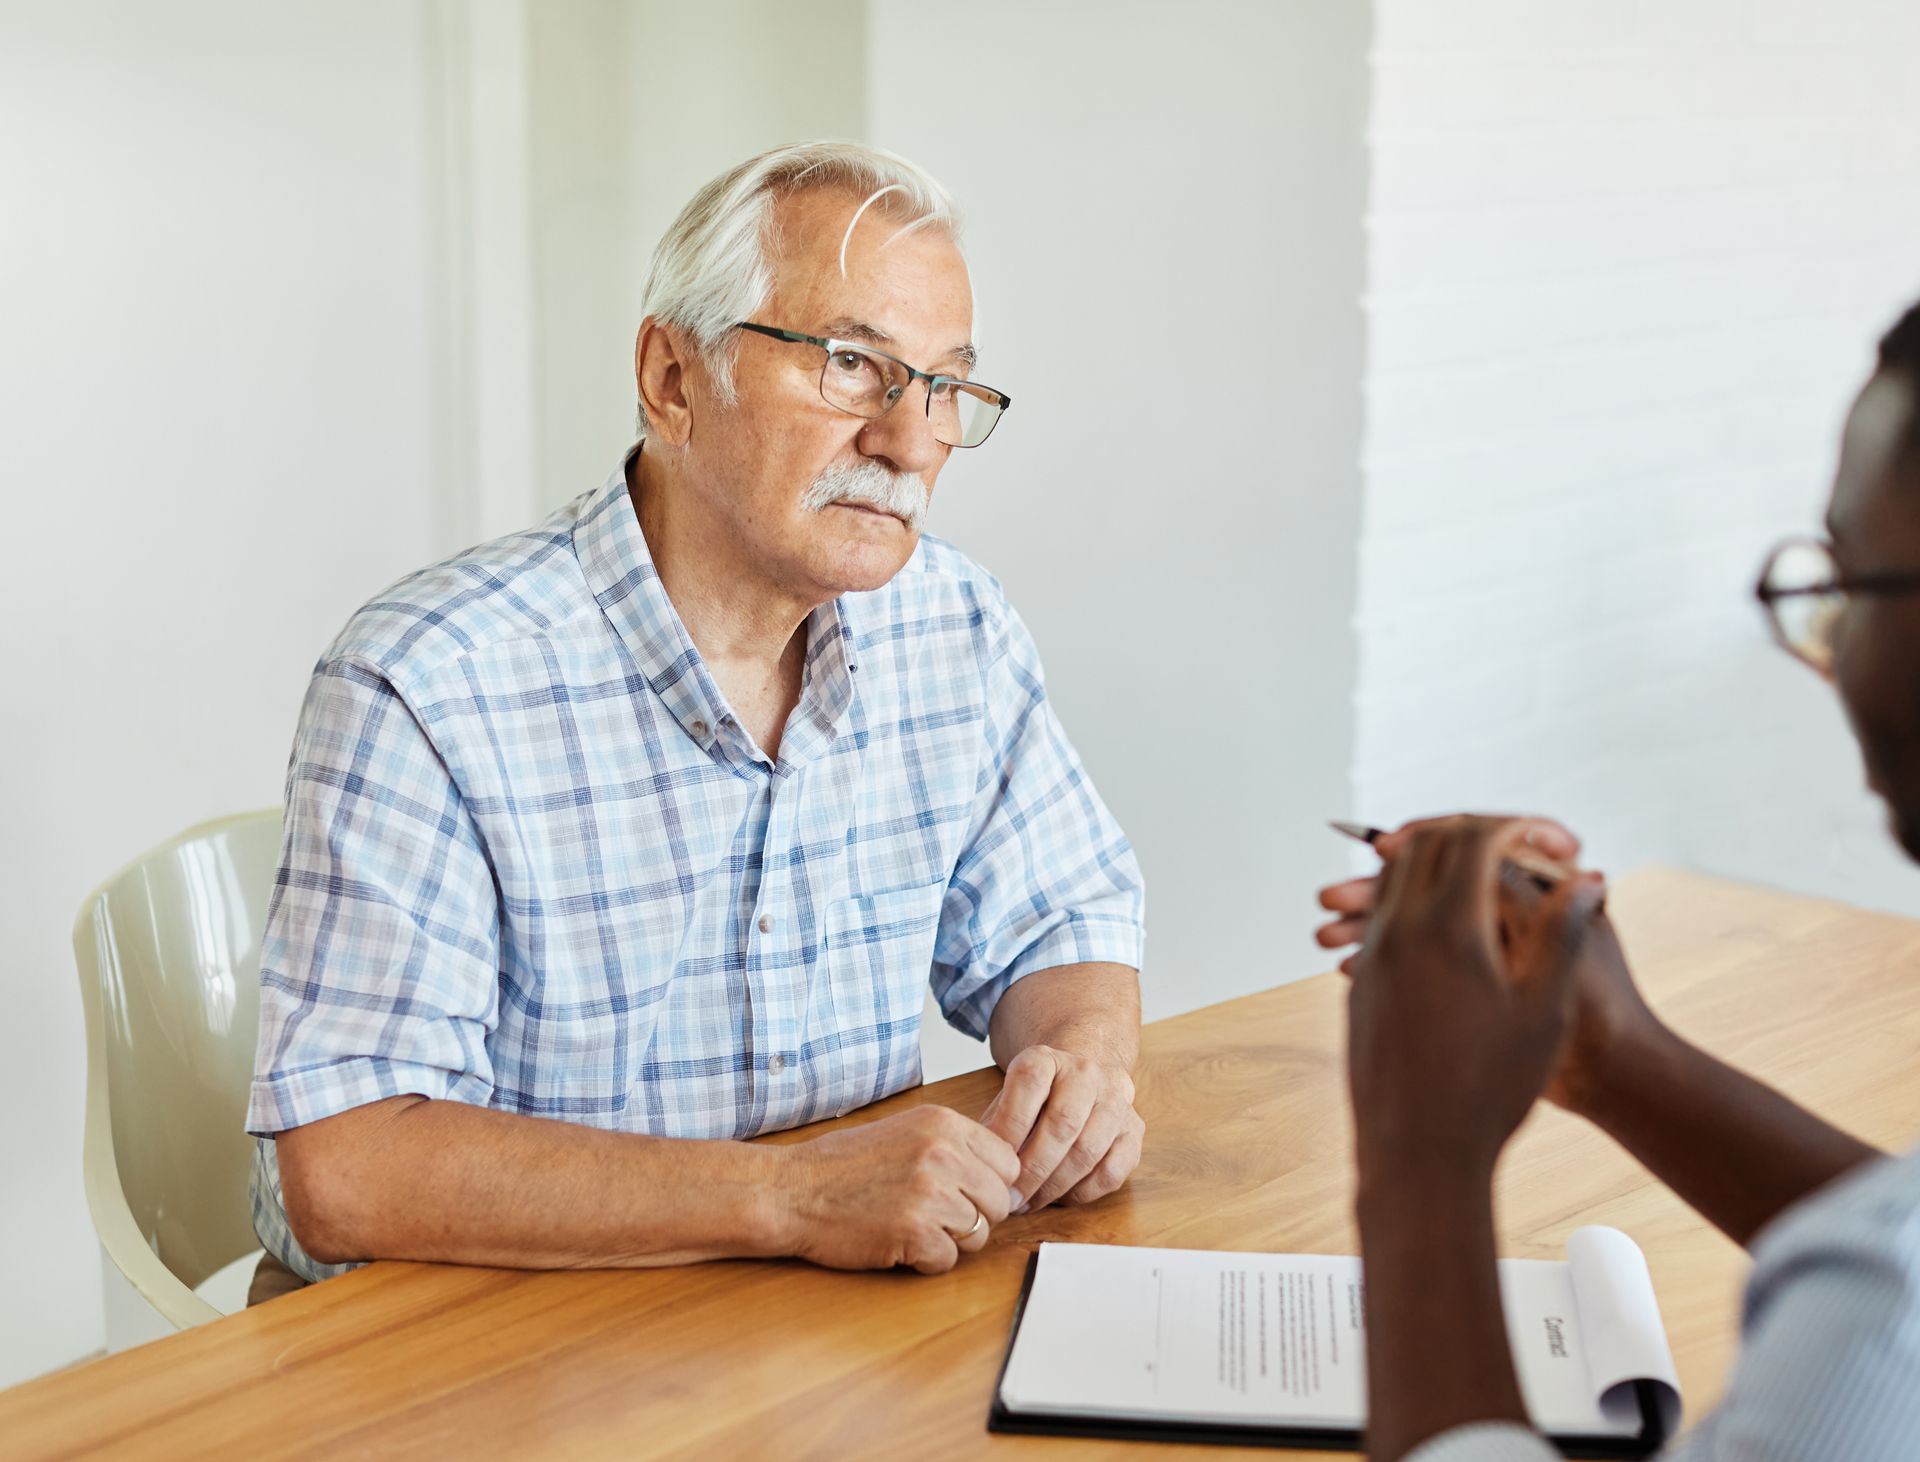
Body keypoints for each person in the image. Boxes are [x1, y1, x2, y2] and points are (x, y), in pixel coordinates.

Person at [244, 142, 1147, 1302]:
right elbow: (345, 1167)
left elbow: (1061, 922)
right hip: (501, 1340)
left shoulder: (953, 623)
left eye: (946, 387)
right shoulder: (428, 682)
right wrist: (793, 1198)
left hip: (827, 1325)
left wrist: (1080, 1061)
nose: (912, 440)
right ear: (673, 379)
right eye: (853, 366)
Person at [1316, 300, 1920, 1460]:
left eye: (1851, 584)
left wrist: (1419, 1152)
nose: (1828, 659)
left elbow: (1895, 1292)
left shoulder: (1878, 1333)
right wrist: (1618, 1056)